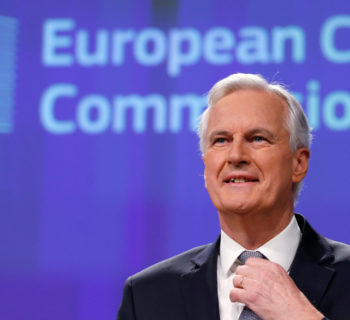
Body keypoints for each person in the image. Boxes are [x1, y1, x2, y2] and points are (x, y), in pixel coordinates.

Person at [117, 73, 350, 320]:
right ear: (207, 168)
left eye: (258, 138)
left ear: (298, 164)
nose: (236, 155)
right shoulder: (146, 295)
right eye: (221, 140)